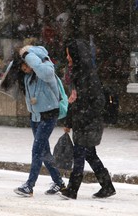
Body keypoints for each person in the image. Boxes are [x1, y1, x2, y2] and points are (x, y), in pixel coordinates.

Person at [60, 39, 116, 200]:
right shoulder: (77, 73)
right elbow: (73, 99)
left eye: (69, 55)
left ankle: (72, 189)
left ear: (76, 55)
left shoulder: (88, 75)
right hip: (81, 121)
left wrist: (83, 116)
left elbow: (99, 102)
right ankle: (107, 186)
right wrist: (69, 123)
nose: (67, 58)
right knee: (90, 155)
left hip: (88, 123)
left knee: (79, 154)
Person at [13, 45, 65, 197]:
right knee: (43, 151)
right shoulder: (27, 75)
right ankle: (59, 182)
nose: (25, 70)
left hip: (49, 115)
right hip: (35, 116)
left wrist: (29, 55)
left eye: (26, 66)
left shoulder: (46, 67)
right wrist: (19, 55)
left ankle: (29, 186)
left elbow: (46, 73)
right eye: (23, 67)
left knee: (37, 150)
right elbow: (11, 71)